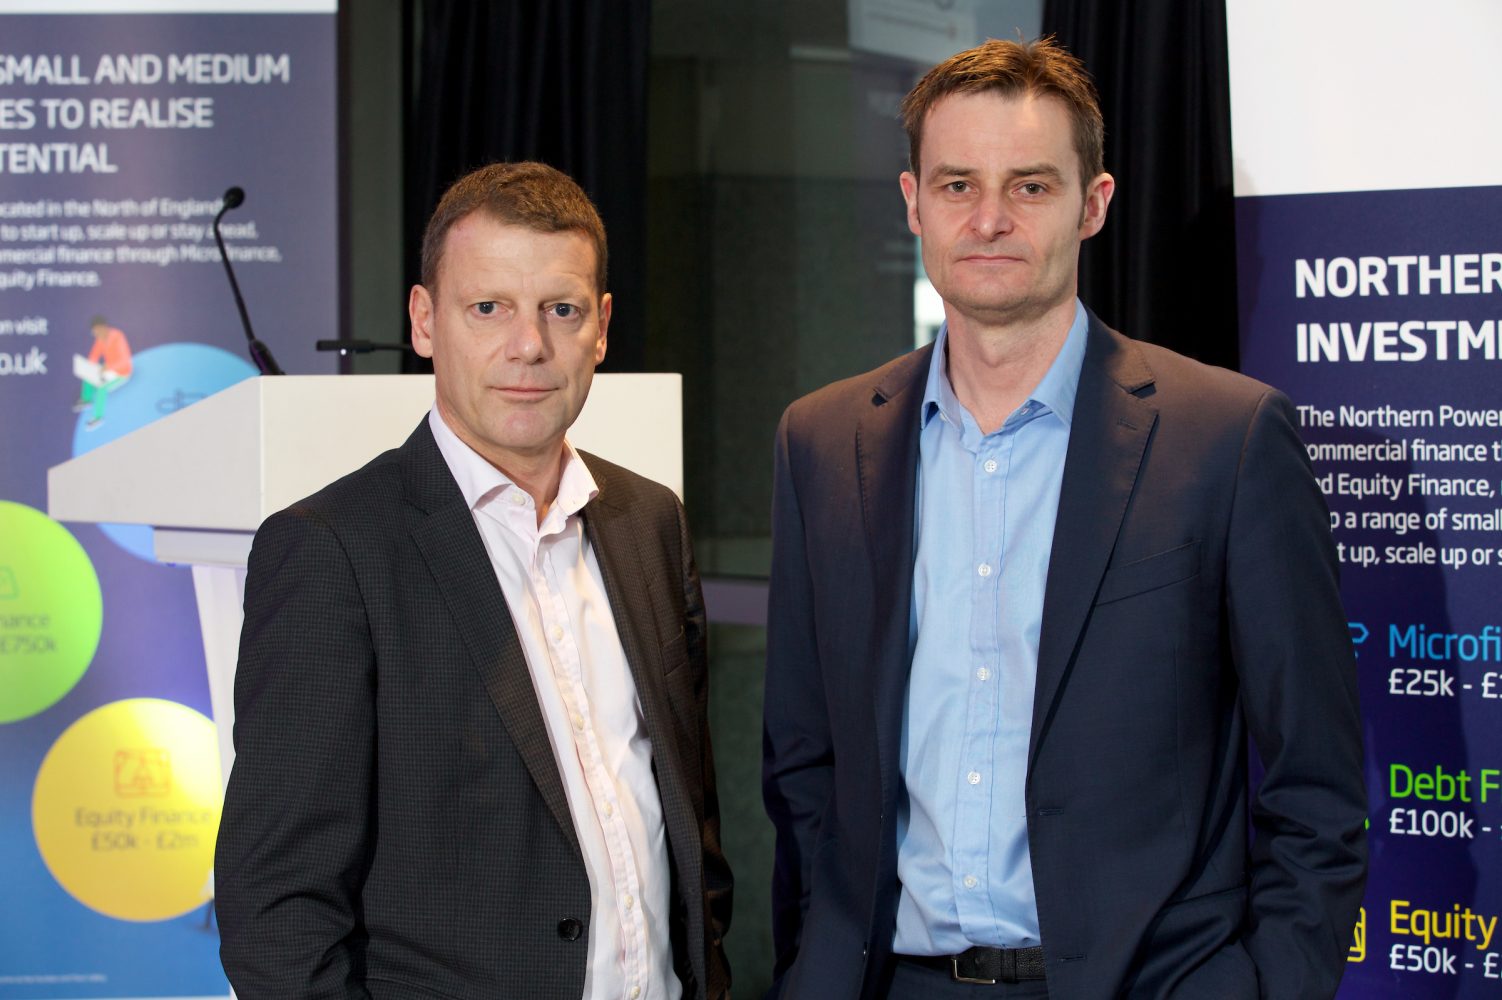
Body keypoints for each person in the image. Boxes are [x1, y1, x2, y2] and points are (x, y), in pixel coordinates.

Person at [762, 37, 1366, 1000]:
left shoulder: (1227, 440)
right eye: (958, 184)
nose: (990, 218)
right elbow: (802, 763)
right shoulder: (824, 442)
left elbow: (1318, 786)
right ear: (914, 203)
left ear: (1093, 205)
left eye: (1031, 186)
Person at [216, 161, 731, 1000]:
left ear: (600, 328)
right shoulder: (331, 552)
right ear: (425, 321)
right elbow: (278, 907)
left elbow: (685, 822)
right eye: (487, 307)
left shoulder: (649, 523)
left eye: (559, 310)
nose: (527, 346)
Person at [75, 315, 132, 429]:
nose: (96, 334)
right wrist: (88, 366)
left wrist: (108, 367)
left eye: (97, 331)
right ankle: (86, 399)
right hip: (108, 370)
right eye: (94, 332)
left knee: (102, 387)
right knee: (88, 373)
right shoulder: (100, 339)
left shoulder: (117, 336)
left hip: (121, 372)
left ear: (104, 327)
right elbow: (94, 356)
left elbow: (124, 360)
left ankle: (98, 417)